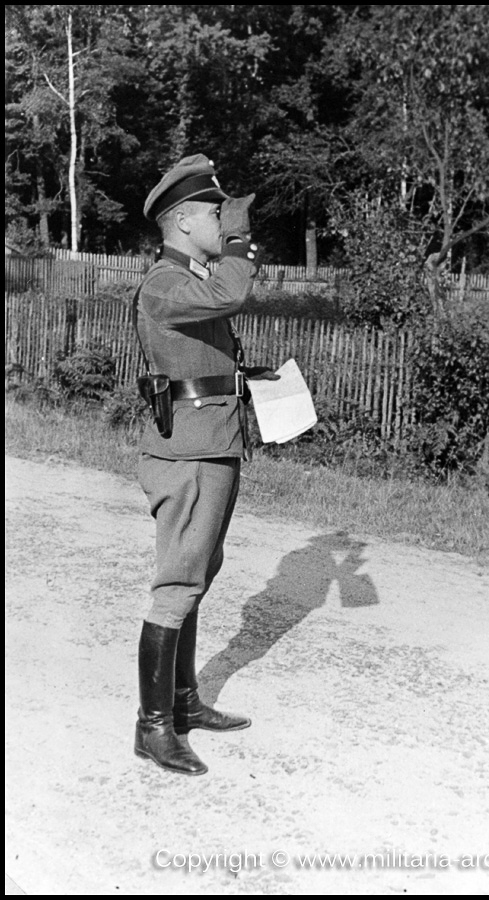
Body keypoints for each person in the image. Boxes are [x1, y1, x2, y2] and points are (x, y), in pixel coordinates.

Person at [133, 154, 278, 776]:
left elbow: (204, 348)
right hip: (186, 451)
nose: (225, 221)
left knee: (199, 575)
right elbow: (233, 287)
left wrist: (250, 377)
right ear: (186, 220)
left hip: (212, 442)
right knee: (177, 585)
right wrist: (241, 242)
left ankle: (184, 702)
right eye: (217, 213)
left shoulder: (189, 279)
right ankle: (153, 726)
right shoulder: (165, 283)